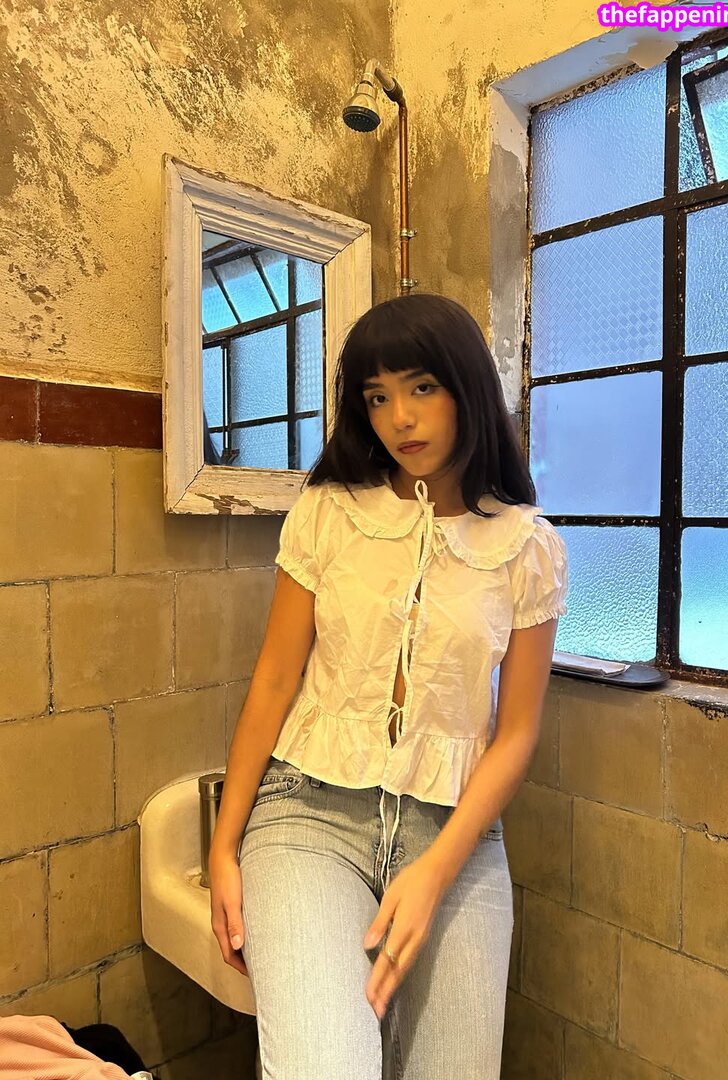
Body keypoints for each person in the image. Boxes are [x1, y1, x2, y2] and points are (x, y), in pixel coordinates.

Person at [208, 292, 569, 1079]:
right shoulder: (330, 512)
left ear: (466, 388)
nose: (399, 417)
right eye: (377, 397)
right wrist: (223, 848)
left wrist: (435, 870)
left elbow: (516, 733)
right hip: (307, 815)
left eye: (421, 388)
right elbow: (274, 682)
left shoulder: (527, 547)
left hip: (455, 834)